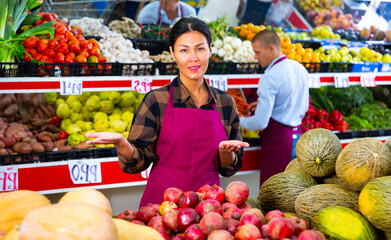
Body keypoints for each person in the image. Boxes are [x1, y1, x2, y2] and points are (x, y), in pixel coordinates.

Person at [86, 17, 249, 208]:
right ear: (172, 53)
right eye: (184, 50)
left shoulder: (225, 103)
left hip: (209, 210)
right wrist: (122, 144)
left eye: (200, 48)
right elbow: (137, 163)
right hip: (162, 207)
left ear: (210, 49)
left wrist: (225, 153)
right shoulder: (156, 100)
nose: (193, 57)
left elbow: (229, 169)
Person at [240, 29, 309, 186]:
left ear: (271, 48)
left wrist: (238, 120)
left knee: (273, 194)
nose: (255, 57)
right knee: (292, 189)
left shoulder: (269, 76)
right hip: (297, 139)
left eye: (257, 52)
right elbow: (302, 106)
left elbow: (260, 123)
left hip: (278, 143)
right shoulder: (299, 68)